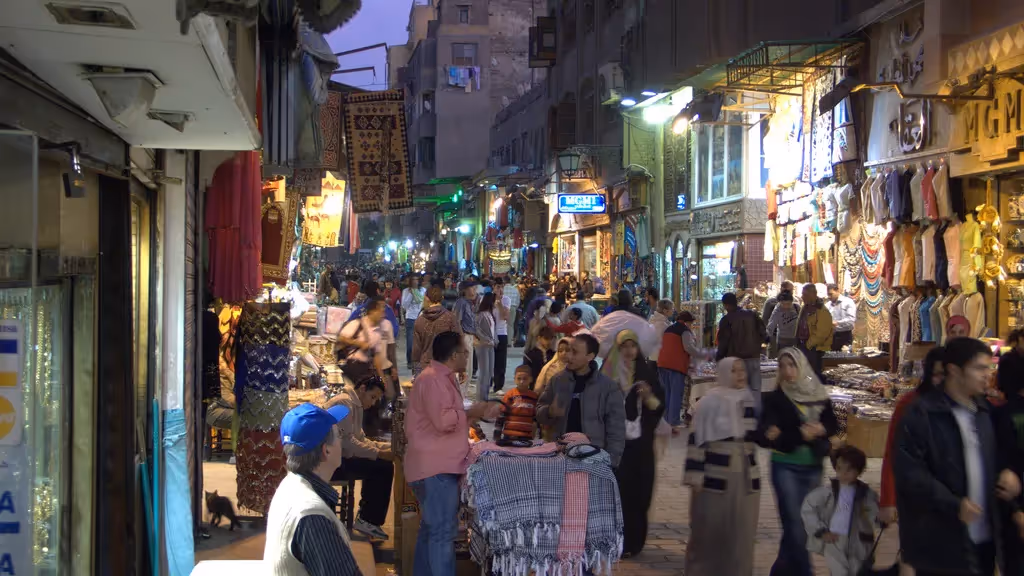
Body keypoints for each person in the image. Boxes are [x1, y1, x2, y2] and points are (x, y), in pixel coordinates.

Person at [895, 337, 1022, 576]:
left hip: (982, 542)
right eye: (980, 368)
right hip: (939, 544)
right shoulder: (923, 414)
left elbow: (991, 462)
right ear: (954, 370)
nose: (988, 374)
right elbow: (910, 473)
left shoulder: (985, 413)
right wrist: (954, 504)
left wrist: (1006, 477)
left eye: (990, 367)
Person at [405, 332, 501, 576]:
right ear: (454, 355)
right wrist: (474, 411)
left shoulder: (441, 378)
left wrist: (470, 412)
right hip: (435, 467)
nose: (468, 356)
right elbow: (444, 420)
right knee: (442, 533)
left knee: (432, 530)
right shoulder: (433, 379)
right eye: (465, 352)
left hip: (436, 465)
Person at [757, 347, 840, 576]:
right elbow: (770, 436)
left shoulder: (817, 393)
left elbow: (833, 423)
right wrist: (799, 434)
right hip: (785, 465)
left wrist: (822, 428)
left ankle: (780, 571)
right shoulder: (774, 398)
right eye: (782, 366)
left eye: (792, 365)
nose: (787, 371)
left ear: (801, 365)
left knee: (801, 526)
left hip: (812, 466)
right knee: (794, 523)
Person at [264, 402, 363, 576]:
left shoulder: (290, 484)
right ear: (326, 451)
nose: (342, 439)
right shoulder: (312, 515)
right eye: (339, 434)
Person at [684, 357, 759, 576]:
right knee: (710, 530)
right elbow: (696, 439)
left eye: (742, 370)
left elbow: (753, 437)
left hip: (745, 474)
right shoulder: (708, 402)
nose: (740, 375)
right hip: (713, 475)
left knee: (741, 530)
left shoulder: (747, 400)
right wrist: (694, 475)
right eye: (734, 371)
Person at [602, 330, 665, 556]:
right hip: (615, 446)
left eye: (633, 346)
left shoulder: (647, 374)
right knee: (617, 493)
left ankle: (634, 542)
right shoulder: (607, 376)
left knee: (640, 491)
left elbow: (658, 407)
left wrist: (648, 397)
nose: (629, 351)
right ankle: (615, 540)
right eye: (624, 347)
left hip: (640, 445)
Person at [878, 345, 945, 526]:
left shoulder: (965, 406)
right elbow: (893, 451)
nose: (941, 381)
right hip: (917, 499)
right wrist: (888, 500)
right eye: (937, 374)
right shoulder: (910, 404)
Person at [536, 333, 626, 466]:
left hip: (594, 456)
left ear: (590, 356)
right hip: (560, 454)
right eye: (568, 350)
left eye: (574, 352)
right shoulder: (557, 380)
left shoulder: (607, 387)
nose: (568, 356)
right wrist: (549, 412)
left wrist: (612, 460)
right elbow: (539, 413)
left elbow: (616, 428)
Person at [327, 377, 394, 541]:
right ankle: (368, 519)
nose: (373, 402)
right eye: (373, 397)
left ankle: (367, 517)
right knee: (383, 467)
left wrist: (384, 447)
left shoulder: (354, 404)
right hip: (330, 464)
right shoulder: (344, 404)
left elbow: (360, 439)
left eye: (377, 399)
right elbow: (348, 444)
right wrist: (378, 453)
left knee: (380, 463)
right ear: (362, 388)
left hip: (338, 458)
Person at [801, 445, 879, 576]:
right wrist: (820, 530)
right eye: (839, 468)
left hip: (860, 541)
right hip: (834, 540)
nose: (843, 473)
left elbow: (874, 513)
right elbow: (808, 507)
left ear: (859, 471)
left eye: (849, 470)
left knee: (857, 571)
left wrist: (880, 519)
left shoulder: (867, 494)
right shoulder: (827, 492)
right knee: (839, 572)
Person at [716, 292, 768, 414]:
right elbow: (764, 335)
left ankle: (741, 423)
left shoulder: (726, 320)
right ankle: (756, 423)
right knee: (755, 392)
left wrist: (719, 359)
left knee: (737, 393)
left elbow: (723, 343)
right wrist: (757, 346)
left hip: (736, 362)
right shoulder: (752, 315)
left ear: (726, 305)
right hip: (754, 358)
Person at [659, 310, 704, 432]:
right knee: (675, 394)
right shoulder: (684, 330)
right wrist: (702, 354)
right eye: (691, 323)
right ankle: (673, 421)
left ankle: (667, 419)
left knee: (667, 393)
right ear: (686, 322)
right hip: (676, 365)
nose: (691, 326)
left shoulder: (669, 329)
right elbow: (688, 347)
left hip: (663, 364)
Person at [336, 296, 388, 385]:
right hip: (352, 366)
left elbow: (377, 357)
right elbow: (340, 338)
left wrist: (381, 378)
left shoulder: (379, 332)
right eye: (381, 311)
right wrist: (358, 343)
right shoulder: (357, 323)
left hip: (365, 369)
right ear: (372, 311)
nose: (383, 315)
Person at [412, 285, 462, 373]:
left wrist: (416, 371)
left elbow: (416, 350)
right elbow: (459, 343)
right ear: (442, 298)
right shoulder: (450, 318)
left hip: (426, 366)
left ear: (427, 298)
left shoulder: (420, 320)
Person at [796, 284, 833, 379]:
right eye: (803, 294)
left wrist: (808, 345)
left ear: (813, 294)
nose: (802, 297)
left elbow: (821, 333)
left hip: (815, 350)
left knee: (814, 376)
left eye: (805, 294)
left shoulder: (821, 310)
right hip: (804, 346)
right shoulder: (805, 307)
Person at [493, 365, 539, 440]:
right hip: (509, 435)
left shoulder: (534, 397)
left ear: (531, 379)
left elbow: (535, 418)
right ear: (514, 379)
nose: (521, 381)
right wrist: (497, 436)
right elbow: (501, 415)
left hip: (526, 436)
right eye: (519, 379)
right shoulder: (510, 395)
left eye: (525, 379)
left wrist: (534, 435)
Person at [474, 293, 497, 402]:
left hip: (490, 345)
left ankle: (485, 396)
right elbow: (476, 328)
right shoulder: (481, 314)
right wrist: (484, 339)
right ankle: (481, 398)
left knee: (489, 371)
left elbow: (493, 330)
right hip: (482, 345)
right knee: (484, 372)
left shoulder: (490, 314)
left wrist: (494, 340)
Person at [454, 281, 478, 378]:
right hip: (464, 336)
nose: (475, 290)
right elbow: (456, 321)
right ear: (465, 290)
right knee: (465, 368)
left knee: (469, 368)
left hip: (470, 336)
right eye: (472, 288)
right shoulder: (461, 302)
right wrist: (461, 337)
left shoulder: (469, 303)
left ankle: (464, 391)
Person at [402, 275, 426, 369]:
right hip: (410, 318)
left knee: (421, 341)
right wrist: (411, 294)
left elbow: (424, 303)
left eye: (417, 280)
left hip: (421, 317)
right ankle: (410, 361)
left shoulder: (423, 290)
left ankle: (420, 360)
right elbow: (404, 305)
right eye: (413, 280)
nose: (415, 282)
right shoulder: (406, 291)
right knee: (410, 342)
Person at [767, 291, 800, 357]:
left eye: (788, 304)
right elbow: (771, 325)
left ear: (791, 302)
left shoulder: (796, 307)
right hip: (783, 340)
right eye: (783, 304)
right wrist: (767, 337)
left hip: (795, 339)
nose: (786, 306)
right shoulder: (777, 310)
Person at [493, 280, 512, 393]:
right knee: (490, 361)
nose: (500, 289)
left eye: (502, 287)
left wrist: (499, 302)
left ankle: (499, 386)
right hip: (489, 333)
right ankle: (488, 382)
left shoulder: (506, 300)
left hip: (501, 333)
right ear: (493, 287)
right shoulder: (487, 299)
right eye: (498, 287)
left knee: (500, 361)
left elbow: (505, 316)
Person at [826, 284, 857, 351]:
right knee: (830, 360)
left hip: (845, 337)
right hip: (830, 338)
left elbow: (851, 321)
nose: (829, 297)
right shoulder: (827, 305)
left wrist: (836, 323)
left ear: (837, 291)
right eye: (828, 294)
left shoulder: (848, 302)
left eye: (831, 294)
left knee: (845, 360)